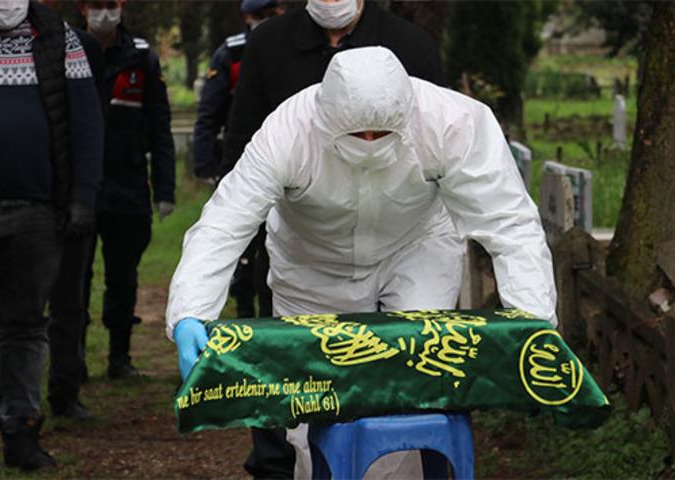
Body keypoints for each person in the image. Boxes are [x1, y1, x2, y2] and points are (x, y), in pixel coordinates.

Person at [168, 47, 557, 479]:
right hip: (312, 261)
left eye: (381, 133)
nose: (370, 143)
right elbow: (226, 223)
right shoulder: (288, 131)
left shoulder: (453, 121)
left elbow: (508, 222)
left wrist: (534, 319)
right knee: (311, 407)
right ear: (326, 120)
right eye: (358, 135)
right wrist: (191, 311)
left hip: (416, 248)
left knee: (411, 388)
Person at [219, 2, 446, 473]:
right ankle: (282, 463)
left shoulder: (411, 47)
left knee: (403, 368)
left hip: (399, 234)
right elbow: (243, 140)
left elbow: (435, 140)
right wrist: (248, 240)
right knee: (294, 367)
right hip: (302, 235)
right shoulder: (269, 44)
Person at [0, 0, 103, 470]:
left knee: (26, 324)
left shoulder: (59, 38)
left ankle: (21, 432)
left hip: (37, 211)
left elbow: (86, 124)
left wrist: (82, 197)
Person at [80, 0, 176, 379]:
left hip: (128, 186)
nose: (105, 13)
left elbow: (160, 128)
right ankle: (72, 361)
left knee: (123, 277)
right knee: (74, 278)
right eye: (97, 5)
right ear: (83, 8)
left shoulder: (141, 60)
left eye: (111, 4)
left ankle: (119, 356)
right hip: (81, 186)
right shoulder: (69, 52)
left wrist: (165, 189)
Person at [192, 0, 284, 321]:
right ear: (247, 16)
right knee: (243, 245)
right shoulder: (231, 54)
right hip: (243, 164)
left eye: (271, 13)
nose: (266, 20)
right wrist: (206, 166)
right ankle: (244, 311)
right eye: (259, 15)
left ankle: (272, 315)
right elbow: (210, 114)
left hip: (287, 163)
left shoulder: (293, 46)